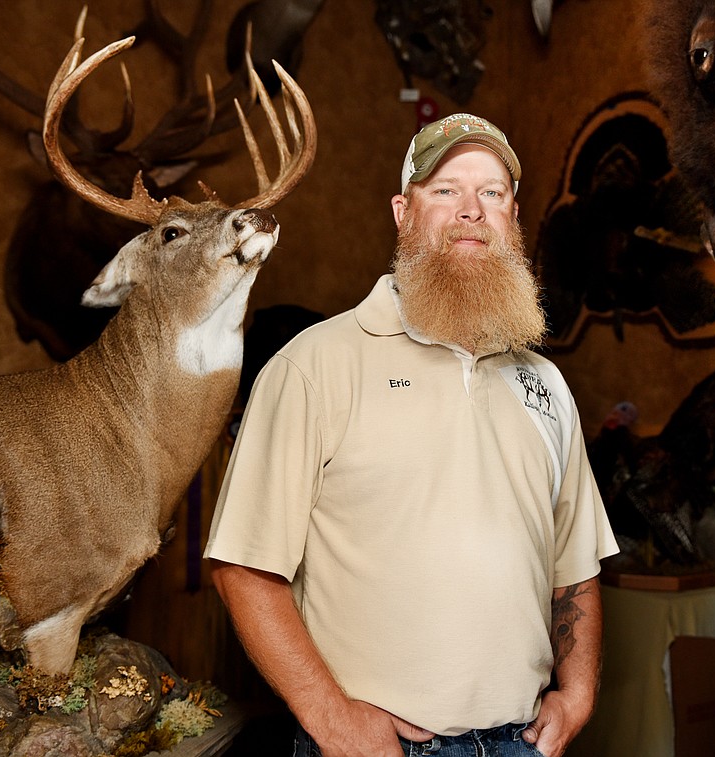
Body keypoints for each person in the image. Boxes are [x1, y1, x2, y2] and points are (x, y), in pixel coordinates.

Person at [205, 112, 619, 757]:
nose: (471, 211)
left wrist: (579, 693)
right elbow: (243, 566)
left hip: (523, 742)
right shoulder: (314, 365)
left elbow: (575, 568)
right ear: (403, 212)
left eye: (492, 192)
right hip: (376, 748)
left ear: (514, 216)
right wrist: (330, 716)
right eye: (445, 189)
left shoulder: (546, 385)